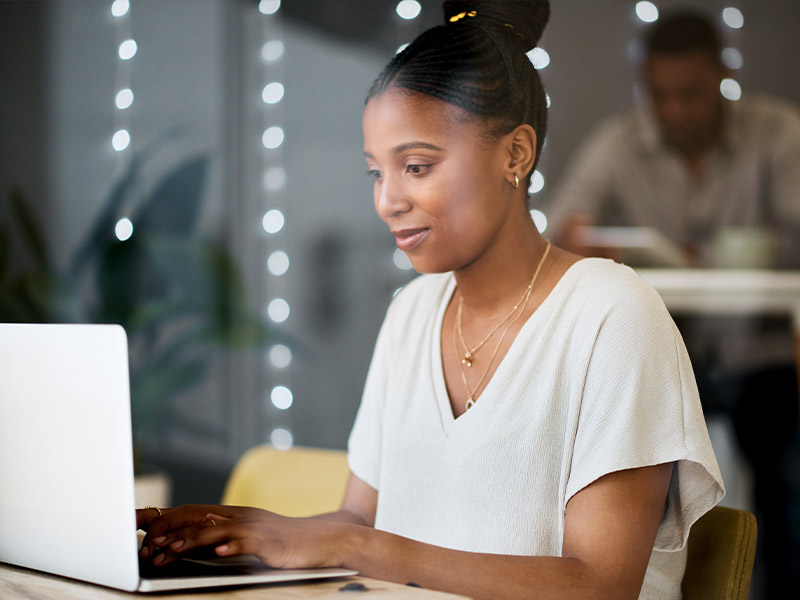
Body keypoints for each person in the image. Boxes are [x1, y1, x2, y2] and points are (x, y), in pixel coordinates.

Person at [137, 2, 723, 598]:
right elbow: (360, 522)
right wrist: (253, 533)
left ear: (515, 154)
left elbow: (599, 585)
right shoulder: (412, 313)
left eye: (416, 165)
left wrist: (355, 545)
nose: (387, 200)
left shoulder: (611, 316)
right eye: (376, 172)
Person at [546, 9, 800, 597]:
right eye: (660, 95)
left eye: (690, 93)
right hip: (669, 360)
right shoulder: (619, 141)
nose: (675, 110)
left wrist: (708, 257)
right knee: (639, 504)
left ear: (721, 76)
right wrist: (582, 242)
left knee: (790, 492)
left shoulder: (779, 134)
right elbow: (562, 228)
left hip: (762, 353)